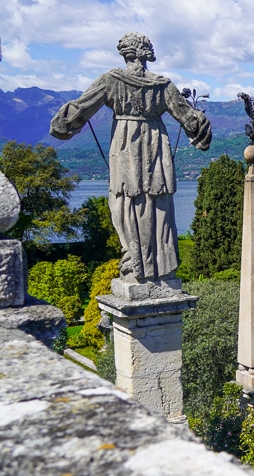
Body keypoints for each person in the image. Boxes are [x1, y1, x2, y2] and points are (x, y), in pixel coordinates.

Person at [50, 32, 212, 287]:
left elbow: (81, 109)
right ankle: (160, 265)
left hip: (125, 144)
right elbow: (189, 118)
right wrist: (200, 129)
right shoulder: (162, 85)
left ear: (127, 53)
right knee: (158, 201)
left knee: (124, 200)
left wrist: (63, 124)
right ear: (145, 52)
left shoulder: (111, 80)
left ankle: (135, 259)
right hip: (156, 141)